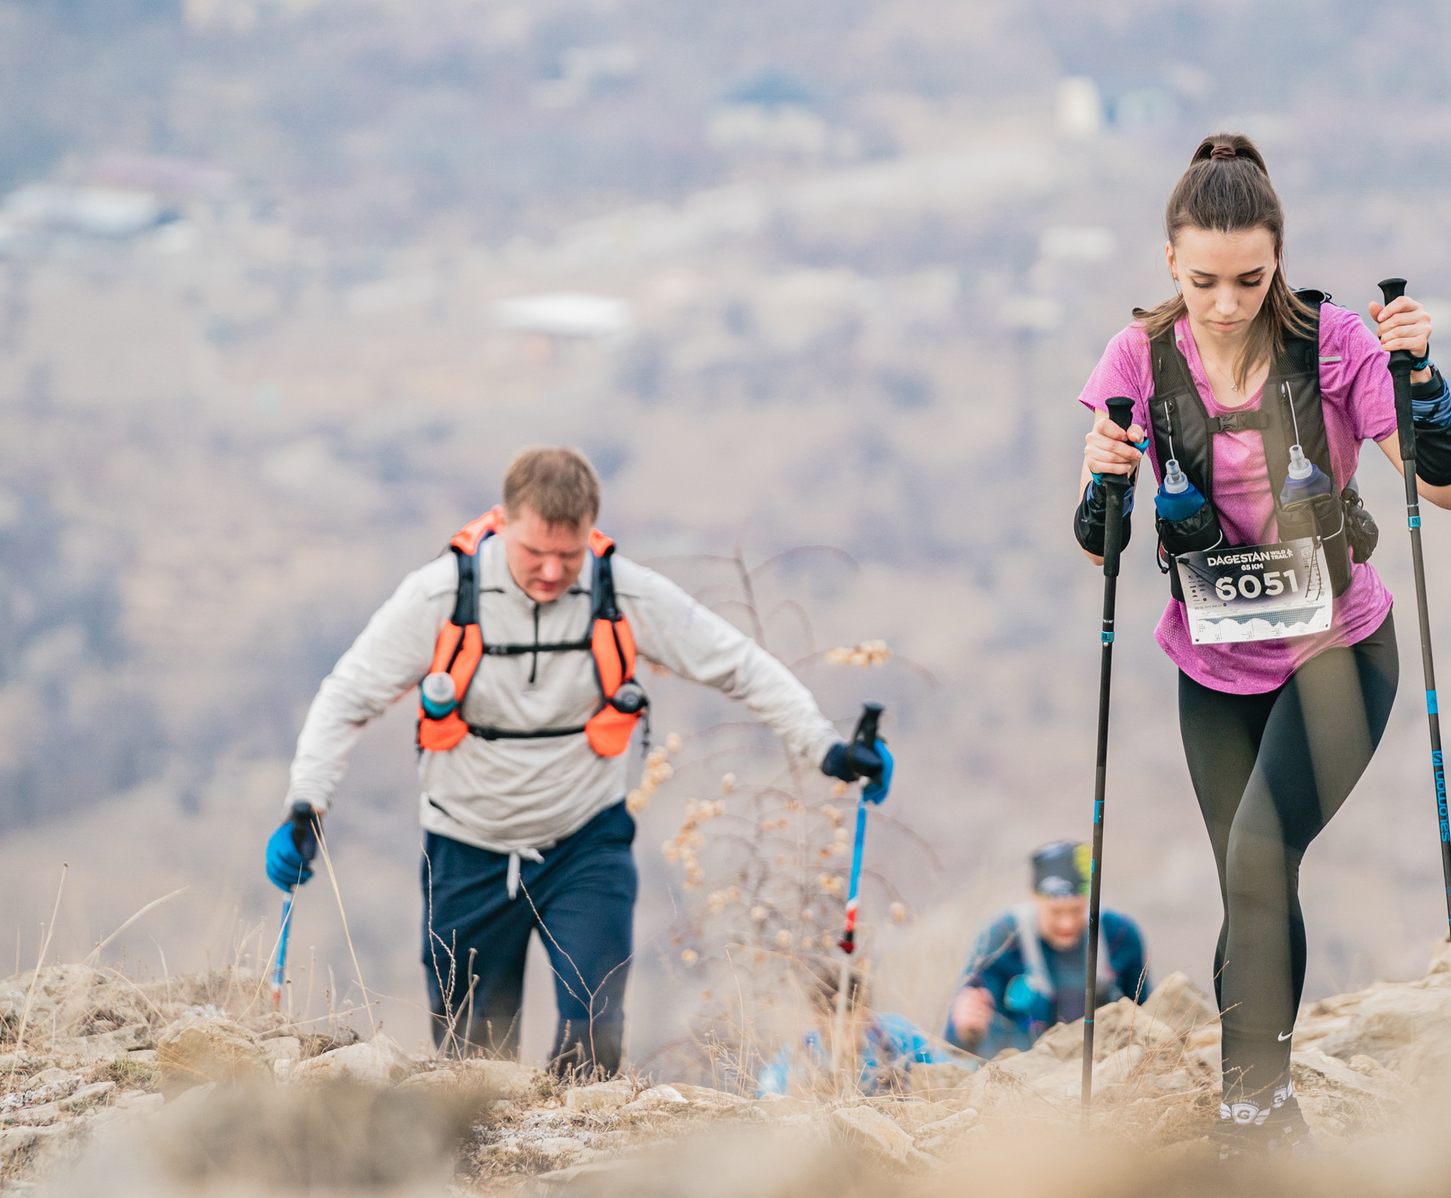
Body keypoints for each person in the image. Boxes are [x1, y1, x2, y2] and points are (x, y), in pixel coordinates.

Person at [1074, 133, 1451, 1147]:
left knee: (1257, 856)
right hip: (1211, 665)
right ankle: (1256, 1097)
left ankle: (1255, 1111)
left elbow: (1447, 488)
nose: (1224, 303)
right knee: (1251, 879)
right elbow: (1099, 547)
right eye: (1203, 280)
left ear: (1278, 258)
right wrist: (1103, 476)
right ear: (1169, 261)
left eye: (1249, 279)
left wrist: (1421, 376)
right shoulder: (1137, 359)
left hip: (1337, 651)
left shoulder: (1333, 343)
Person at [265, 446, 877, 1077]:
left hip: (584, 845)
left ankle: (584, 1167)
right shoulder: (440, 597)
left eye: (570, 553)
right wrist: (306, 804)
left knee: (594, 1034)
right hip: (464, 851)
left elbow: (738, 663)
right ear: (502, 522)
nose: (554, 572)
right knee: (472, 1063)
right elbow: (347, 696)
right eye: (535, 554)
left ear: (593, 531)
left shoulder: (623, 593)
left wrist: (825, 746)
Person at [946, 841, 1150, 1056]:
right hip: (1018, 1074)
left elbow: (1144, 1013)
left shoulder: (1120, 935)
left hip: (1102, 1067)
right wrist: (966, 1028)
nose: (1067, 923)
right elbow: (957, 1041)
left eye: (1077, 910)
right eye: (1055, 911)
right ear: (1034, 899)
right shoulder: (1002, 938)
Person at [759, 961, 944, 1096]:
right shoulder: (803, 1053)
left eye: (851, 1011)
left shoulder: (895, 1034)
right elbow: (769, 1085)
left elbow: (943, 1065)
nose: (844, 1023)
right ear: (816, 1016)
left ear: (866, 1013)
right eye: (834, 1017)